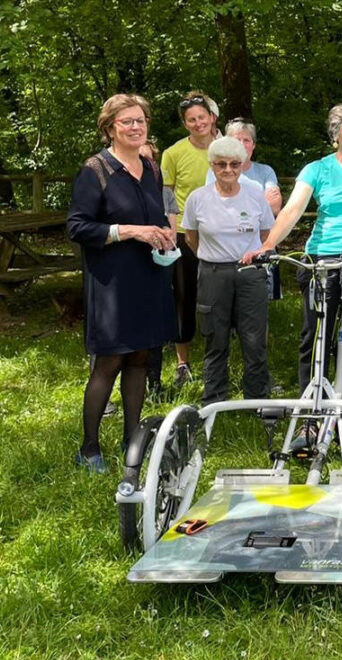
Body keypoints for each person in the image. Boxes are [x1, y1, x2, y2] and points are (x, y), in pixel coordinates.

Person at [241, 103, 342, 445]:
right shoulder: (317, 169)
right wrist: (267, 245)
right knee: (314, 338)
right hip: (322, 253)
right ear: (336, 133)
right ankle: (309, 419)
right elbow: (293, 210)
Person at [66, 94, 176, 472]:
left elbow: (155, 215)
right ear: (110, 127)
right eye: (127, 121)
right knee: (110, 361)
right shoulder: (95, 170)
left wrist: (163, 233)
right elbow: (77, 227)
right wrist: (130, 231)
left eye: (141, 120)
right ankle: (90, 448)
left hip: (149, 275)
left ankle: (133, 440)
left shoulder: (151, 168)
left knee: (141, 358)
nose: (136, 126)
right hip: (113, 281)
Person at [182, 137, 273, 405]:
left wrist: (254, 254)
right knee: (215, 337)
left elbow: (267, 234)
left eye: (234, 164)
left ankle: (256, 399)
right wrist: (214, 259)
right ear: (212, 165)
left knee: (254, 339)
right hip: (213, 273)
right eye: (221, 164)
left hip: (250, 273)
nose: (228, 170)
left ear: (242, 165)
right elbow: (191, 238)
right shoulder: (198, 198)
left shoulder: (256, 196)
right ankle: (214, 400)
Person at [161, 90, 220, 388]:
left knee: (217, 300)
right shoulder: (173, 153)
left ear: (212, 117)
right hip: (185, 235)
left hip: (222, 236)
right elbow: (167, 193)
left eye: (202, 117)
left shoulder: (226, 148)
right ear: (185, 124)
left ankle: (217, 359)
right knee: (184, 299)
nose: (198, 123)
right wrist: (171, 230)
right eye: (191, 120)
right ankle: (183, 363)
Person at [139, 138, 179, 396]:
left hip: (156, 264)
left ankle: (154, 385)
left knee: (154, 326)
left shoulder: (164, 192)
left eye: (148, 159)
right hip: (124, 268)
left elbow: (171, 232)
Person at [205, 118, 283, 216]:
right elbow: (213, 206)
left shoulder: (266, 171)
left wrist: (231, 203)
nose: (242, 145)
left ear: (253, 145)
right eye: (237, 140)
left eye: (246, 140)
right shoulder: (215, 171)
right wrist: (261, 202)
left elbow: (274, 207)